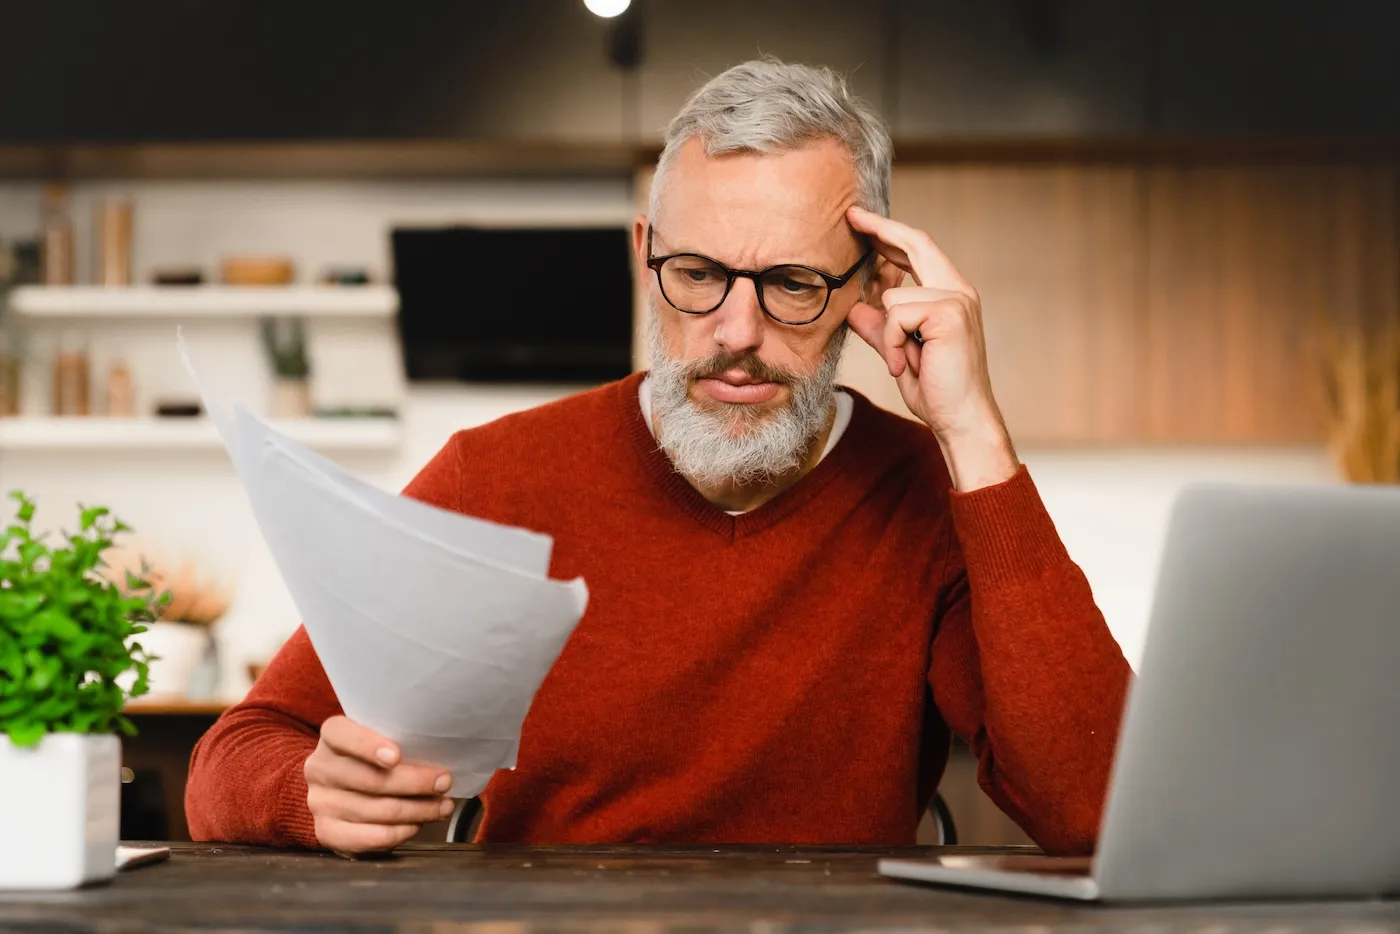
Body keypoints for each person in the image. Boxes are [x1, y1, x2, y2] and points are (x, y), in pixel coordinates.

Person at [186, 58, 1131, 857]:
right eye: (698, 274)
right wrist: (314, 796)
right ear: (645, 254)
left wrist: (973, 434)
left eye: (794, 283)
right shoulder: (496, 475)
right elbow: (233, 755)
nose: (736, 331)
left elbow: (1098, 813)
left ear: (872, 286)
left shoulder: (929, 490)